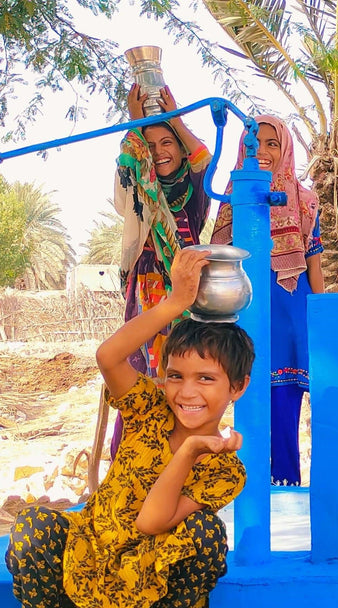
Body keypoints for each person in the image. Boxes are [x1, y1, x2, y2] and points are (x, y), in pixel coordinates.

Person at [1, 249, 253, 608]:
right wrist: (175, 303)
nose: (186, 391)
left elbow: (151, 521)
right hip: (88, 559)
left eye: (206, 379)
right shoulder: (146, 410)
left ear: (237, 387)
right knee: (33, 527)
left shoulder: (224, 470)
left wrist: (190, 450)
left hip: (149, 584)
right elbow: (108, 357)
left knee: (207, 534)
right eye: (176, 376)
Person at [211, 115, 323, 486]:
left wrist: (320, 322)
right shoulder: (231, 198)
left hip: (289, 314)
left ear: (286, 149)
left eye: (273, 144)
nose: (263, 151)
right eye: (255, 143)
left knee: (285, 405)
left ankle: (286, 486)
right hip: (245, 315)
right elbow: (218, 260)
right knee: (247, 401)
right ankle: (248, 490)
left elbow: (314, 266)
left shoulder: (305, 202)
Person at [111, 84, 214, 456]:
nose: (159, 153)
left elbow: (203, 156)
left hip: (185, 291)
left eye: (167, 143)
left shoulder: (196, 186)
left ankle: (179, 457)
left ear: (180, 150)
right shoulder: (139, 189)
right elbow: (129, 168)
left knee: (184, 371)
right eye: (150, 146)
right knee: (141, 373)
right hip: (148, 287)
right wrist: (137, 123)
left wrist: (174, 119)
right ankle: (136, 457)